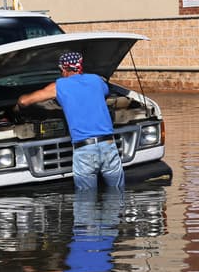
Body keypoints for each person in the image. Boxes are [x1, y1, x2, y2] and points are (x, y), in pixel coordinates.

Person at [17, 51, 125, 191]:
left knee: (86, 203)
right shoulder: (96, 80)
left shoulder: (59, 86)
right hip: (109, 146)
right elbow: (104, 93)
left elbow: (24, 101)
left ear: (64, 69)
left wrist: (17, 105)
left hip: (85, 150)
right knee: (118, 193)